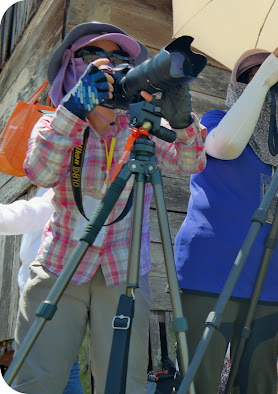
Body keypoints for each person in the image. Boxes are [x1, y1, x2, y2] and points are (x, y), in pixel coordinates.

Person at [13, 21, 206, 394]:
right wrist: (75, 110)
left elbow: (191, 163)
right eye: (94, 54)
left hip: (125, 270)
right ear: (73, 66)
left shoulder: (142, 127)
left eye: (119, 58)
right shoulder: (55, 122)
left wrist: (182, 122)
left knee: (124, 384)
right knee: (37, 379)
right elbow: (40, 170)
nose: (109, 63)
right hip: (60, 263)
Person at [174, 47, 278, 393]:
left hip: (267, 277)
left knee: (259, 383)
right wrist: (267, 76)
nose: (263, 83)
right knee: (201, 382)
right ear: (237, 85)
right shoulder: (214, 121)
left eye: (272, 78)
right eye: (250, 76)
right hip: (208, 274)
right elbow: (227, 146)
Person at [0, 188, 83, 394]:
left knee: (47, 365)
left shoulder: (59, 186)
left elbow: (28, 215)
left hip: (51, 288)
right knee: (60, 364)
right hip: (43, 287)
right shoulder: (45, 188)